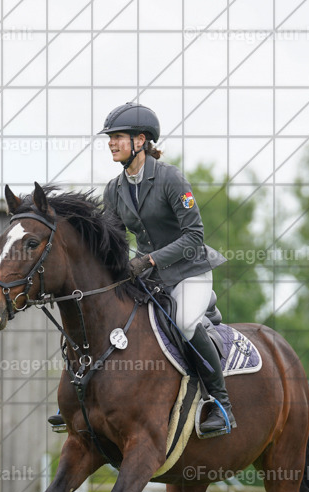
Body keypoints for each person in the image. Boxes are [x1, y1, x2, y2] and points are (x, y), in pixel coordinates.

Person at [98, 102, 235, 437]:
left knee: (185, 321)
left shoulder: (171, 178)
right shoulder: (114, 190)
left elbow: (194, 236)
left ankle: (221, 404)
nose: (111, 143)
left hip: (190, 270)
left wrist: (148, 259)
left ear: (141, 140)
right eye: (110, 138)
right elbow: (112, 242)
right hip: (150, 278)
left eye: (118, 137)